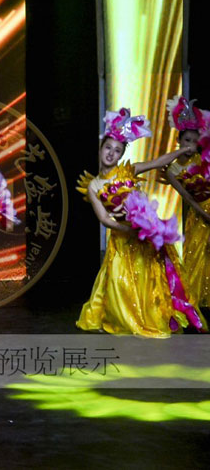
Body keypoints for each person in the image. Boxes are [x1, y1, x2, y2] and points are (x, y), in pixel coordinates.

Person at [77, 108, 205, 336]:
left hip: (147, 233)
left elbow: (158, 162)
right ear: (100, 149)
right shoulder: (94, 186)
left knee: (150, 278)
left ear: (121, 155)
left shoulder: (129, 170)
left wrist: (183, 150)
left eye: (117, 150)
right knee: (120, 281)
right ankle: (124, 318)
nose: (111, 154)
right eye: (108, 148)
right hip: (123, 238)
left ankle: (151, 316)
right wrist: (128, 230)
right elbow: (104, 218)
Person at [163, 96, 210, 308]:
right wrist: (205, 214)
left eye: (194, 141)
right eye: (187, 141)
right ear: (178, 141)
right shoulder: (172, 170)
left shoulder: (203, 159)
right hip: (199, 213)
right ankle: (197, 308)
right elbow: (188, 197)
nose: (191, 146)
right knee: (197, 258)